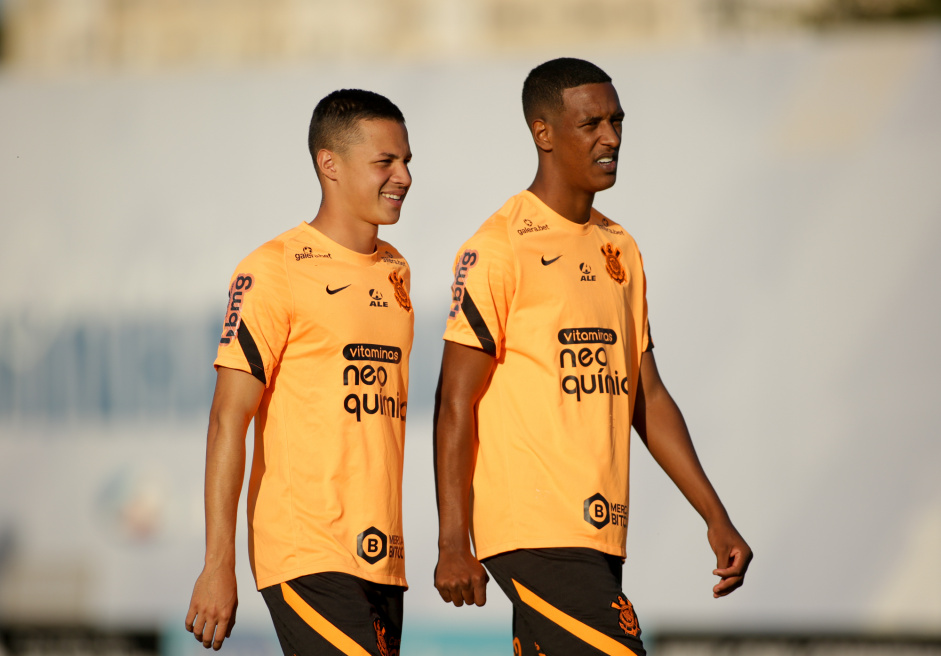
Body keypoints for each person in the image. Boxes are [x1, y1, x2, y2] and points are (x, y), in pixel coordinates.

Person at [433, 58, 753, 656]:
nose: (610, 138)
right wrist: (453, 541)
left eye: (616, 120)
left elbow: (648, 397)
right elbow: (454, 401)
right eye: (591, 124)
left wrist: (715, 514)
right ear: (543, 132)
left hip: (600, 532)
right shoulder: (497, 247)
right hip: (533, 529)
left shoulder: (620, 248)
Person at [185, 89, 414, 655]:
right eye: (385, 162)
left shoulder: (396, 270)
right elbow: (226, 421)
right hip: (307, 548)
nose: (404, 176)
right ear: (328, 164)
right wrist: (219, 563)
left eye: (407, 160)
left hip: (382, 556)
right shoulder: (273, 269)